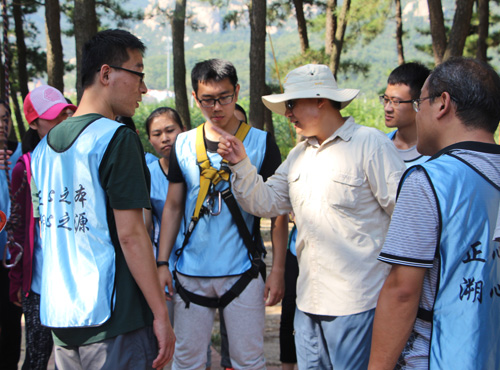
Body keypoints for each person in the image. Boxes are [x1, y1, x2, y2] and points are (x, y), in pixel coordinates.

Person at [215, 63, 406, 369]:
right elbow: (265, 201)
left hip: (358, 303)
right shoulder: (299, 155)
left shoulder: (370, 145)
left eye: (292, 104)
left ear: (320, 99)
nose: (287, 113)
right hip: (307, 304)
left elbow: (406, 216)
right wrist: (240, 163)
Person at [30, 29, 175, 369]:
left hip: (61, 317)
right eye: (138, 73)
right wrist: (160, 314)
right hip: (116, 318)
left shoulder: (41, 152)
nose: (144, 88)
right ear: (106, 74)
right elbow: (131, 235)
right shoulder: (115, 138)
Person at [368, 57, 500, 369]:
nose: (417, 112)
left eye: (420, 102)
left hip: (437, 355)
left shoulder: (430, 179)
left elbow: (402, 290)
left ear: (442, 104)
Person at [157, 58, 287, 369]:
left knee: (249, 361)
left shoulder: (261, 142)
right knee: (186, 361)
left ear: (237, 92)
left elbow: (279, 210)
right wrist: (162, 262)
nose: (217, 107)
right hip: (191, 271)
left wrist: (278, 269)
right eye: (208, 100)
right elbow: (173, 206)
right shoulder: (183, 144)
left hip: (243, 269)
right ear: (194, 97)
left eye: (225, 97)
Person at [8, 85, 76, 370]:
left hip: (75, 281)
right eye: (53, 117)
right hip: (39, 285)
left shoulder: (80, 156)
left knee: (73, 358)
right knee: (37, 357)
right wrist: (16, 281)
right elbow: (17, 228)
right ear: (33, 123)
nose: (62, 122)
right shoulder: (24, 167)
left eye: (65, 114)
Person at [0, 99, 23, 370]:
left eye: (6, 118)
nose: (1, 124)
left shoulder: (20, 155)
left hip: (12, 260)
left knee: (11, 326)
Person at [381, 62, 431, 167]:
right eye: (386, 100)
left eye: (396, 102)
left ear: (417, 103)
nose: (387, 108)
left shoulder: (435, 153)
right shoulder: (380, 146)